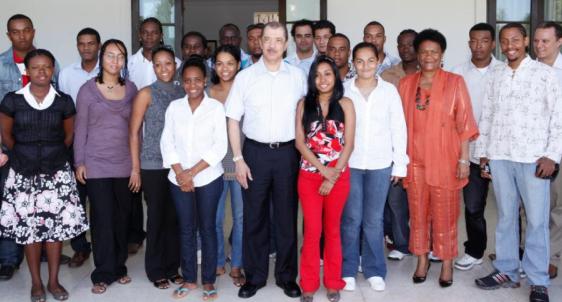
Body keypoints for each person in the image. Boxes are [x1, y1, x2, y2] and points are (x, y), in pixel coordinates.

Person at [475, 23, 562, 302]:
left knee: (536, 221)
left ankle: (538, 281)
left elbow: (558, 118)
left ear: (525, 41)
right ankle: (507, 270)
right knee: (506, 217)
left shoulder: (545, 75)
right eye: (505, 40)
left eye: (515, 39)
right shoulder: (496, 74)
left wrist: (552, 155)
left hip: (533, 158)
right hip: (500, 155)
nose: (510, 45)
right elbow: (487, 113)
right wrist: (484, 153)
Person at [0, 48, 88, 302]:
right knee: (30, 231)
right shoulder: (12, 100)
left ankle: (53, 281)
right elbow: (6, 134)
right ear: (27, 71)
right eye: (36, 67)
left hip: (56, 173)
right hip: (24, 173)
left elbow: (69, 135)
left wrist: (53, 156)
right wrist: (22, 155)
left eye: (47, 67)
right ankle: (36, 283)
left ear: (53, 70)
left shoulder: (63, 101)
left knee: (54, 231)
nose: (41, 71)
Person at [226, 21, 306, 299]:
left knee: (286, 219)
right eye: (266, 39)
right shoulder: (245, 77)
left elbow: (305, 118)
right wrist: (238, 159)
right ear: (259, 43)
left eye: (277, 40)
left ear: (286, 44)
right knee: (254, 217)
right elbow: (233, 119)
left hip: (287, 154)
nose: (271, 45)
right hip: (255, 154)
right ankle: (256, 276)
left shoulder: (297, 77)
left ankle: (287, 277)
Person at [398, 29, 478, 287]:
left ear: (442, 54)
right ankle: (421, 260)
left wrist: (464, 161)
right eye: (424, 52)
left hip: (445, 161)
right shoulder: (407, 84)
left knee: (445, 215)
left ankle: (446, 264)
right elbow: (398, 125)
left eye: (434, 51)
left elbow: (464, 124)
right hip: (415, 162)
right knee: (418, 214)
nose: (429, 56)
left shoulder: (455, 82)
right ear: (418, 55)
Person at [0, 13, 64, 281]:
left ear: (33, 31)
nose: (22, 35)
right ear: (9, 35)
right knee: (12, 204)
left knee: (45, 207)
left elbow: (59, 104)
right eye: (16, 31)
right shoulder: (1, 65)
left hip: (47, 150)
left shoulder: (49, 62)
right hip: (10, 148)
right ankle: (8, 259)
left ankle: (47, 256)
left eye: (26, 30)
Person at [341, 42, 408, 292]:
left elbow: (398, 128)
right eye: (360, 61)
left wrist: (400, 163)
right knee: (351, 219)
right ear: (353, 63)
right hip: (351, 164)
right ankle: (347, 269)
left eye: (370, 60)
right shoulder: (345, 90)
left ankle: (374, 269)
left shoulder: (389, 91)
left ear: (378, 62)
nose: (365, 66)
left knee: (373, 220)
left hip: (381, 164)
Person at [74, 39, 138, 294]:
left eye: (120, 56)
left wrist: (136, 166)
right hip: (96, 164)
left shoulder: (132, 89)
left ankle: (119, 267)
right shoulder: (87, 90)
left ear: (124, 61)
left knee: (122, 218)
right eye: (110, 55)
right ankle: (102, 273)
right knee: (102, 220)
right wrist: (79, 161)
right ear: (102, 59)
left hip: (124, 164)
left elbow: (136, 131)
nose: (115, 61)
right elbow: (80, 129)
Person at [160, 56, 227, 300]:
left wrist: (192, 172)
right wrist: (180, 173)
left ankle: (208, 280)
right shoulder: (175, 108)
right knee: (186, 229)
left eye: (197, 80)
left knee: (208, 228)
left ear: (205, 80)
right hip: (178, 179)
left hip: (208, 177)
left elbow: (220, 146)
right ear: (182, 83)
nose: (192, 85)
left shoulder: (216, 108)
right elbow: (167, 142)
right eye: (187, 81)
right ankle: (189, 279)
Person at [296, 55, 355, 302]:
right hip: (310, 177)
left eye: (328, 74)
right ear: (312, 78)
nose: (323, 79)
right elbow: (300, 143)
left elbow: (349, 144)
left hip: (338, 177)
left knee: (332, 231)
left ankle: (333, 283)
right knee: (312, 231)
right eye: (318, 75)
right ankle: (308, 284)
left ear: (336, 76)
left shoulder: (346, 104)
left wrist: (332, 176)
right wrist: (322, 170)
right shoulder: (303, 104)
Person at [129, 46, 183, 290]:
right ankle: (156, 269)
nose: (164, 68)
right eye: (158, 64)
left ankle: (173, 267)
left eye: (168, 63)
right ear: (153, 67)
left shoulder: (184, 91)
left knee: (175, 218)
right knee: (157, 218)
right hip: (153, 165)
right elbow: (133, 133)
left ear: (176, 65)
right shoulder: (146, 94)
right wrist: (136, 168)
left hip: (179, 165)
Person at [450, 23, 499, 271]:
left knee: (509, 208)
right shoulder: (457, 73)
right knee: (473, 206)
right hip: (470, 152)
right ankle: (475, 250)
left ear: (493, 44)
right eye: (474, 40)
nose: (478, 45)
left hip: (501, 151)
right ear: (469, 43)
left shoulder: (503, 71)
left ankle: (511, 255)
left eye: (484, 40)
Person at [57, 27, 101, 268]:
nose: (86, 47)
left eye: (91, 43)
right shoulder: (66, 74)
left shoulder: (108, 72)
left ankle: (103, 243)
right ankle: (80, 247)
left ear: (98, 45)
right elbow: (63, 109)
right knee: (76, 198)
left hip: (102, 144)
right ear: (77, 46)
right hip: (74, 142)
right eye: (82, 43)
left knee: (101, 198)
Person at [380, 29, 418, 262]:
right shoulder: (387, 76)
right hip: (393, 145)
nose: (406, 49)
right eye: (401, 45)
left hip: (421, 144)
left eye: (411, 45)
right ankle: (401, 242)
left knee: (421, 198)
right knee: (395, 200)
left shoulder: (429, 74)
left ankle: (425, 241)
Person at [208, 45, 245, 286]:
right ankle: (219, 259)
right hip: (213, 164)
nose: (225, 68)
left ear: (238, 65)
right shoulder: (207, 92)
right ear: (213, 66)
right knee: (215, 217)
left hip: (242, 162)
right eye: (219, 63)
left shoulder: (246, 91)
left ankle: (238, 264)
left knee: (242, 218)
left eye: (230, 63)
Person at [533, 21, 562, 280]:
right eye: (537, 41)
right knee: (526, 207)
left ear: (559, 41)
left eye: (546, 41)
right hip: (529, 151)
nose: (540, 46)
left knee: (555, 207)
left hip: (557, 151)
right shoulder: (529, 70)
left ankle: (550, 256)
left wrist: (554, 153)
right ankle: (526, 251)